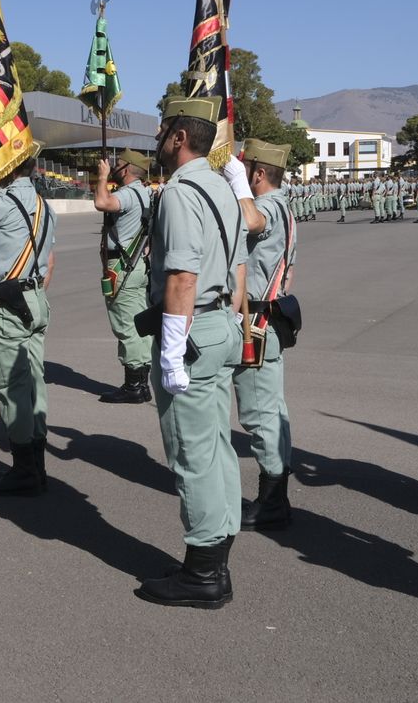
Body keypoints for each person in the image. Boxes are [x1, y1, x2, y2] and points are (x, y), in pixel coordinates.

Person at [134, 99, 246, 609]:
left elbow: (181, 276)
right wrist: (229, 320)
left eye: (163, 130)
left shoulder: (180, 192)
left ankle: (203, 573)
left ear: (179, 137)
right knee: (217, 446)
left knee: (192, 453)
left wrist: (172, 354)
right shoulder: (222, 187)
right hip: (219, 323)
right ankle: (215, 555)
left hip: (192, 328)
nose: (157, 138)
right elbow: (239, 266)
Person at [0, 151, 58, 496]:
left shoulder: (0, 205)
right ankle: (38, 464)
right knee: (34, 383)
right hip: (35, 298)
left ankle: (24, 470)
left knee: (11, 388)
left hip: (8, 304)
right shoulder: (44, 205)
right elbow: (49, 260)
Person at [227, 140, 299, 530]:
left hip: (255, 322)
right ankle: (277, 492)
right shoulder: (285, 205)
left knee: (259, 415)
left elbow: (253, 222)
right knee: (273, 411)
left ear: (257, 173)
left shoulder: (268, 206)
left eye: (244, 169)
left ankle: (272, 500)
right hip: (268, 318)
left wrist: (236, 186)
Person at [93, 149, 154, 404]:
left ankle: (134, 385)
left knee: (126, 325)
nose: (113, 166)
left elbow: (102, 203)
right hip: (137, 264)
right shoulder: (146, 193)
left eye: (117, 164)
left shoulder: (128, 194)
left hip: (122, 266)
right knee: (138, 324)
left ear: (126, 169)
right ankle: (141, 382)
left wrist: (102, 177)